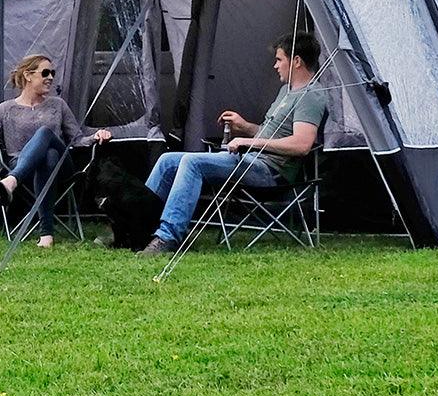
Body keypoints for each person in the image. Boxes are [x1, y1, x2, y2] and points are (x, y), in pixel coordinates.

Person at [139, 32, 326, 256]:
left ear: (296, 61)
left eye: (279, 59)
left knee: (192, 162)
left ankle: (167, 238)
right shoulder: (286, 91)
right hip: (252, 159)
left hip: (271, 172)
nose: (275, 66)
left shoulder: (311, 96)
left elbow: (301, 144)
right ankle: (136, 226)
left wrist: (248, 142)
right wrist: (245, 126)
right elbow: (273, 135)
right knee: (167, 160)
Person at [0, 54, 111, 248]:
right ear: (28, 75)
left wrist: (96, 136)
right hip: (23, 165)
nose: (50, 77)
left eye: (52, 73)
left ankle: (11, 181)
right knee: (48, 156)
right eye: (45, 73)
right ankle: (47, 234)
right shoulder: (5, 109)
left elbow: (78, 139)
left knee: (46, 135)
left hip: (62, 169)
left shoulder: (58, 105)